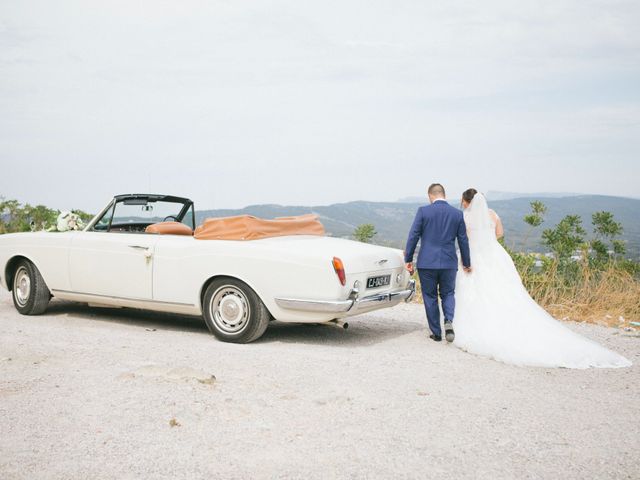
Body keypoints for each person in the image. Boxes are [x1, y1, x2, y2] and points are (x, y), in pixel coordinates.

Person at [454, 188, 631, 368]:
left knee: (476, 290)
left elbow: (464, 238)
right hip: (495, 255)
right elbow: (500, 233)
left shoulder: (466, 217)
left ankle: (482, 323)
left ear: (467, 201)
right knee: (504, 290)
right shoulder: (492, 214)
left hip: (475, 256)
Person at [404, 183, 471, 342]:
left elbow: (413, 235)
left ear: (430, 195)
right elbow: (463, 241)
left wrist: (408, 259)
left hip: (427, 262)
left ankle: (436, 332)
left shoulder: (423, 211)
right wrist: (466, 262)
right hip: (448, 262)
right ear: (444, 194)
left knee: (430, 295)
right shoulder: (457, 214)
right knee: (448, 293)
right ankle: (448, 320)